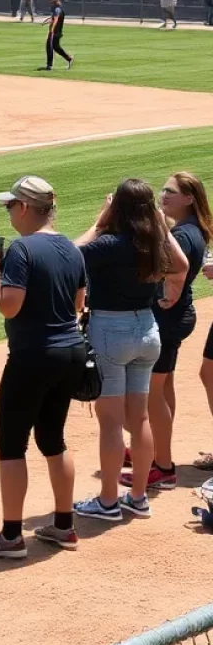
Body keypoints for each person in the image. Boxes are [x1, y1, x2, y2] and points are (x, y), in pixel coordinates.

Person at [0, 176, 87, 559]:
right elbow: (76, 305)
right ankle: (65, 526)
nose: (8, 213)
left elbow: (9, 306)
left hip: (32, 358)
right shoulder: (72, 248)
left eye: (10, 206)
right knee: (53, 439)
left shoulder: (21, 251)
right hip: (69, 353)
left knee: (11, 444)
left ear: (24, 208)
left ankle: (10, 537)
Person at [73, 181, 189, 523]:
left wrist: (99, 221)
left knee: (110, 422)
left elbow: (67, 254)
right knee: (139, 419)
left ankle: (108, 502)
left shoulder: (108, 243)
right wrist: (157, 224)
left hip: (112, 332)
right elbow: (181, 265)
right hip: (147, 331)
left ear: (118, 208)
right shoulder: (153, 244)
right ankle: (137, 498)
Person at [121, 173, 211, 489]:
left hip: (168, 317)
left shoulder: (184, 236)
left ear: (189, 198)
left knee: (153, 395)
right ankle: (156, 447)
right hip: (176, 316)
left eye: (170, 192)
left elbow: (166, 271)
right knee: (163, 386)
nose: (163, 195)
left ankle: (163, 465)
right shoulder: (188, 230)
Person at [39, 0, 73, 72]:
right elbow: (53, 19)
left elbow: (56, 19)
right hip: (57, 31)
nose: (50, 2)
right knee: (56, 47)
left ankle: (49, 65)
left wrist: (52, 30)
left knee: (49, 46)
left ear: (54, 1)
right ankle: (69, 58)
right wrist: (47, 22)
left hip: (55, 32)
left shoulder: (57, 9)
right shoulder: (56, 9)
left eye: (51, 0)